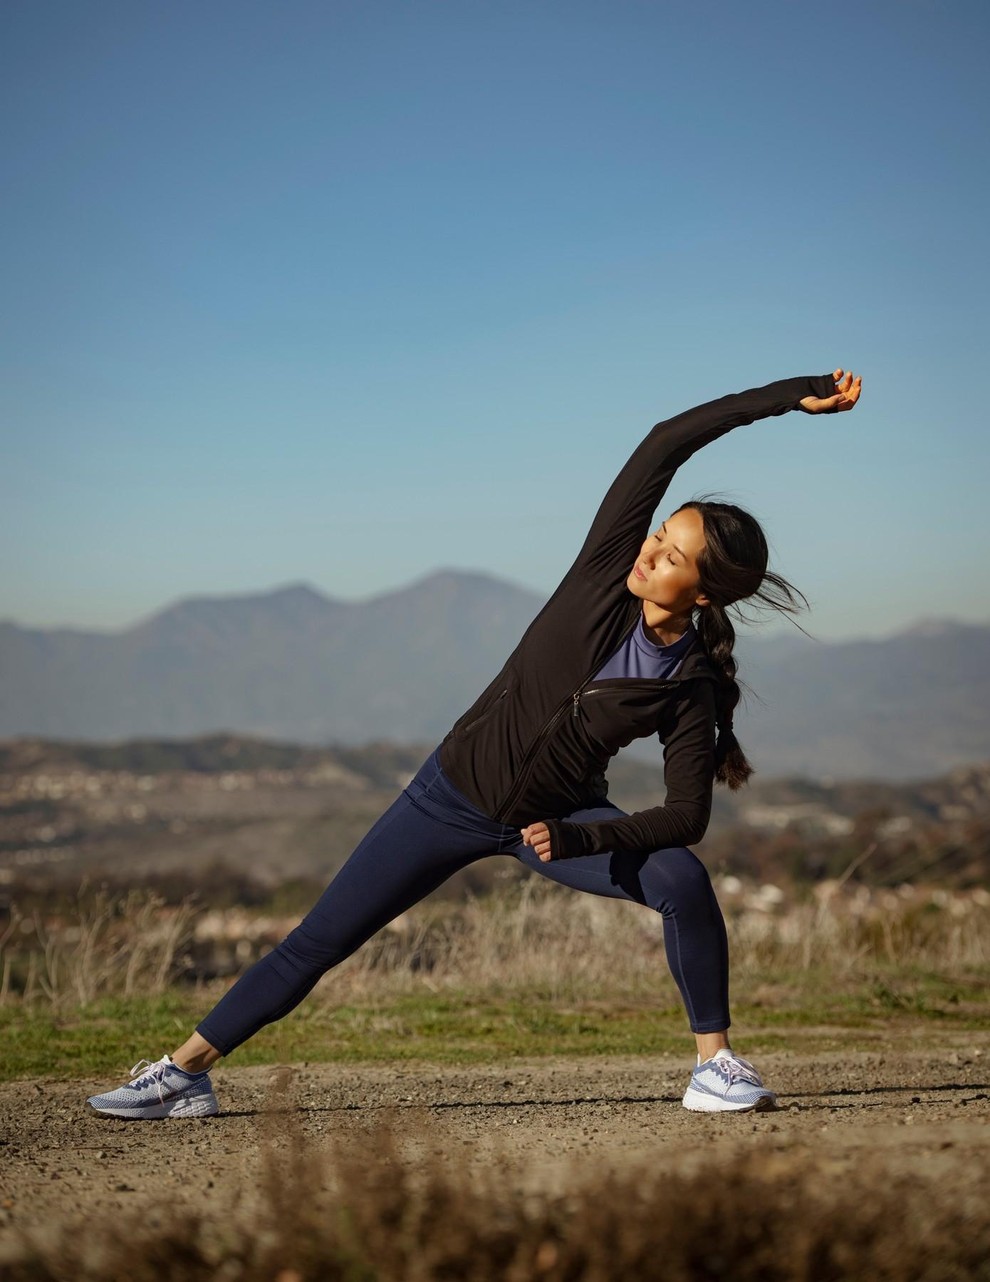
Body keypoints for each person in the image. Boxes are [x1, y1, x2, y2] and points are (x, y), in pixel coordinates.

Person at [87, 367, 862, 1120]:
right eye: (657, 536)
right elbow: (665, 443)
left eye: (669, 556)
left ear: (701, 592)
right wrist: (785, 398)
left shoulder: (686, 683)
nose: (647, 553)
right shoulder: (599, 578)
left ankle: (714, 1066)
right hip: (447, 798)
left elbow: (685, 814)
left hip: (558, 823)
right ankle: (184, 1075)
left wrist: (577, 834)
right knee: (318, 941)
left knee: (681, 878)